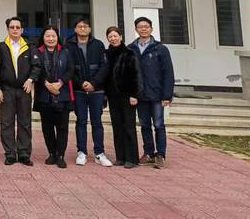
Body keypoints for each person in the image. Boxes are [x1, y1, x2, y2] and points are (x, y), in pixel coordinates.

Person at [0, 16, 42, 166]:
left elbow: (37, 66)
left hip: (24, 90)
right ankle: (10, 153)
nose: (15, 30)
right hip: (7, 90)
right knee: (6, 122)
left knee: (24, 122)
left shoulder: (29, 46)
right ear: (7, 29)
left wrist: (31, 79)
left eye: (17, 27)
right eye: (12, 27)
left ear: (22, 30)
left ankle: (24, 153)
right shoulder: (1, 47)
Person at [65, 19, 112, 167]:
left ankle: (99, 153)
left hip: (96, 90)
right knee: (81, 121)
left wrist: (94, 83)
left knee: (97, 121)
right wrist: (81, 83)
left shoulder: (98, 45)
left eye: (85, 26)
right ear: (75, 29)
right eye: (79, 26)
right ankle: (82, 152)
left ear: (90, 29)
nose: (82, 29)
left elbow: (104, 67)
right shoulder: (69, 45)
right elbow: (69, 68)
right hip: (79, 90)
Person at [129, 16, 175, 169]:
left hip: (157, 94)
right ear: (136, 29)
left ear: (151, 29)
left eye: (146, 26)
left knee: (159, 124)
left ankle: (160, 155)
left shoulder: (160, 49)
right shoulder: (131, 49)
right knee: (144, 125)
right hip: (140, 94)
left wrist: (167, 95)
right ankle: (148, 153)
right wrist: (132, 93)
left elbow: (168, 73)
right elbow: (128, 73)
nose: (143, 29)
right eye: (140, 27)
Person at [33, 25, 73, 169]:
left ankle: (60, 155)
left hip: (62, 94)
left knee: (62, 127)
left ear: (57, 37)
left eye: (53, 36)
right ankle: (51, 153)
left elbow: (71, 69)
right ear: (43, 38)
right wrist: (46, 84)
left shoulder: (65, 52)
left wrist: (60, 83)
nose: (50, 39)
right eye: (47, 36)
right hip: (44, 95)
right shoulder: (37, 52)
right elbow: (35, 70)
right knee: (47, 127)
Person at [105, 26, 141, 168]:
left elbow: (136, 74)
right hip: (113, 96)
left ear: (120, 37)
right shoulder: (107, 54)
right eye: (110, 36)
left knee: (129, 127)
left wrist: (134, 94)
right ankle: (120, 157)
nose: (113, 38)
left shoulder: (129, 53)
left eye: (115, 36)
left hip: (127, 95)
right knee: (117, 126)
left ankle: (132, 158)